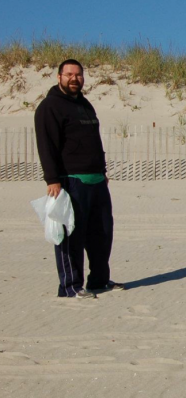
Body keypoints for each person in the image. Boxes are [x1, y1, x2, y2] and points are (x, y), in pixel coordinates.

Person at [34, 59, 123, 299]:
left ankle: (99, 281)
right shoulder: (49, 106)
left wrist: (103, 172)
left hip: (96, 181)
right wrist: (52, 179)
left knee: (102, 233)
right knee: (71, 235)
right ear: (59, 77)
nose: (75, 78)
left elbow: (95, 141)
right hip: (71, 181)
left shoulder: (85, 104)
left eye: (79, 75)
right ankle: (71, 287)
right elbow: (47, 145)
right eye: (69, 74)